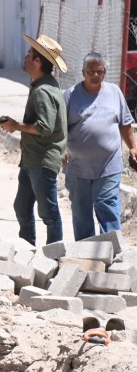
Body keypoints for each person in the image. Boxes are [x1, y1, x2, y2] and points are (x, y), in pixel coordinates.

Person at [1, 34, 68, 246]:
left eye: (29, 54)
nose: (25, 57)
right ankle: (27, 250)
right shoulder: (43, 84)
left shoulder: (43, 90)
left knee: (49, 212)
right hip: (31, 160)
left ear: (38, 61)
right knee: (22, 206)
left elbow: (46, 127)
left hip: (41, 161)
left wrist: (15, 126)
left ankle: (54, 260)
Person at [63, 52, 137, 240]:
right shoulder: (70, 95)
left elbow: (125, 123)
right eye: (91, 72)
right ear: (83, 72)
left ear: (104, 72)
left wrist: (133, 147)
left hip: (108, 165)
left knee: (108, 207)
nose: (95, 75)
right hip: (78, 166)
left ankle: (112, 252)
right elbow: (58, 127)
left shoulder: (114, 92)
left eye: (99, 71)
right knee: (81, 212)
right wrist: (61, 148)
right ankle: (86, 254)